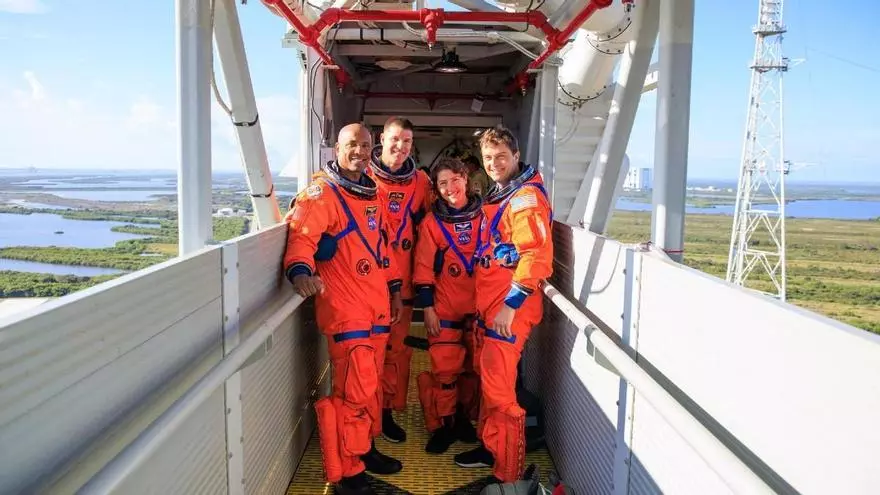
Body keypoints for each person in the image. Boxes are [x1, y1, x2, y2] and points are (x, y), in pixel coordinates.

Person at [283, 123, 405, 495]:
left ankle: (364, 449)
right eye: (352, 144)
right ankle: (349, 474)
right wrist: (301, 271)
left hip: (376, 306)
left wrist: (395, 290)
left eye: (366, 145)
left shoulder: (373, 193)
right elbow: (301, 238)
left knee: (370, 388)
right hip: (346, 307)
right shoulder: (322, 194)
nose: (360, 151)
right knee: (355, 389)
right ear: (337, 148)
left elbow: (383, 247)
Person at [453, 125, 554, 483]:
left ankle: (508, 471)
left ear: (515, 156)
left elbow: (536, 255)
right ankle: (491, 447)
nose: (494, 164)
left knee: (499, 390)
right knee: (492, 385)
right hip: (492, 308)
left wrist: (510, 306)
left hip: (508, 312)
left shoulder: (525, 198)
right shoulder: (503, 195)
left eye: (501, 157)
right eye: (488, 158)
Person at [366, 116, 433, 443]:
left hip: (403, 286)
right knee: (366, 353)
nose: (400, 147)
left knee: (395, 352)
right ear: (381, 138)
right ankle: (364, 412)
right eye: (395, 139)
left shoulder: (421, 183)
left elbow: (432, 231)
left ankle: (387, 411)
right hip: (367, 285)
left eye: (407, 141)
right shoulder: (361, 176)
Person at [412, 157, 482, 454]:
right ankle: (443, 424)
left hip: (480, 308)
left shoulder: (487, 216)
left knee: (472, 371)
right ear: (437, 190)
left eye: (455, 180)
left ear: (466, 179)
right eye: (443, 183)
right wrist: (427, 309)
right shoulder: (432, 223)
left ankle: (464, 419)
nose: (451, 187)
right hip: (445, 308)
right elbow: (423, 269)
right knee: (445, 373)